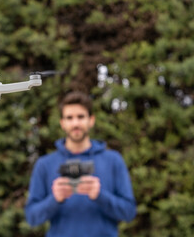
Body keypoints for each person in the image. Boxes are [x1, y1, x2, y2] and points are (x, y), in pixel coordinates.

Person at [25, 91, 136, 237]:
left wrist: (100, 195)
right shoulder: (45, 164)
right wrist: (54, 199)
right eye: (69, 118)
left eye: (81, 117)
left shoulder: (113, 160)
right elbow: (32, 218)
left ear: (91, 120)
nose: (75, 123)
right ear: (62, 123)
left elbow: (128, 213)